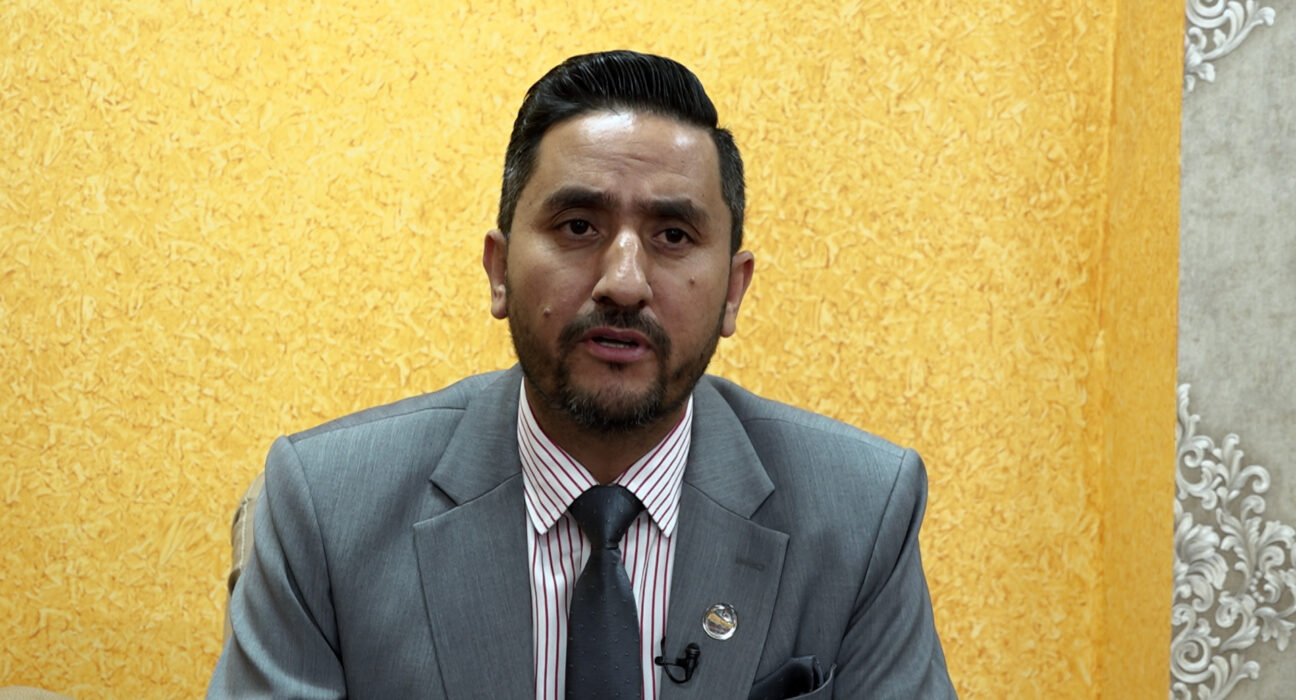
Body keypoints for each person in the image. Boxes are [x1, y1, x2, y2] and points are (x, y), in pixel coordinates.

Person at [209, 50, 957, 699]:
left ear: (734, 290)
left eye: (673, 235)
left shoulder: (861, 515)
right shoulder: (326, 508)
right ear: (499, 269)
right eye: (578, 227)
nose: (623, 283)